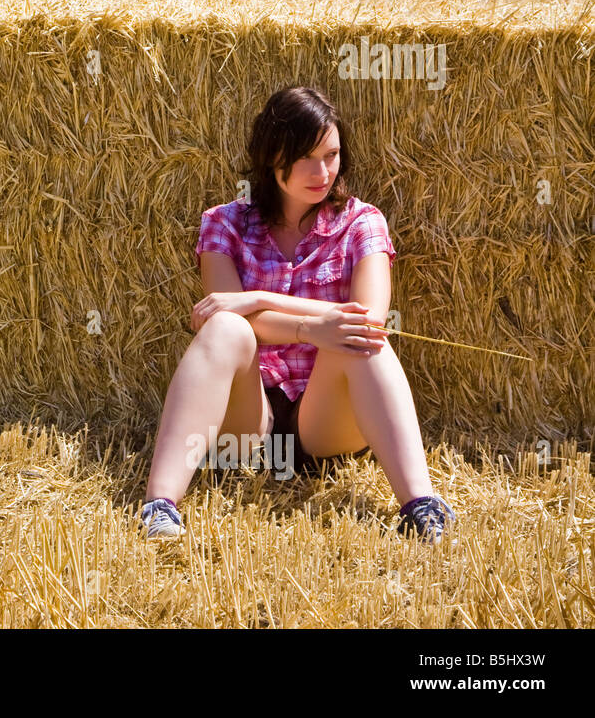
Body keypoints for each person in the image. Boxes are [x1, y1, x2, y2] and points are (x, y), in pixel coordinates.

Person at [140, 86, 457, 543]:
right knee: (228, 327)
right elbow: (226, 318)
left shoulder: (362, 222)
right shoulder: (224, 224)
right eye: (307, 157)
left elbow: (366, 320)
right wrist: (309, 325)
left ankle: (423, 506)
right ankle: (159, 507)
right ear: (273, 157)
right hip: (251, 421)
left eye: (332, 155)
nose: (323, 172)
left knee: (359, 339)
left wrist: (257, 300)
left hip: (326, 422)